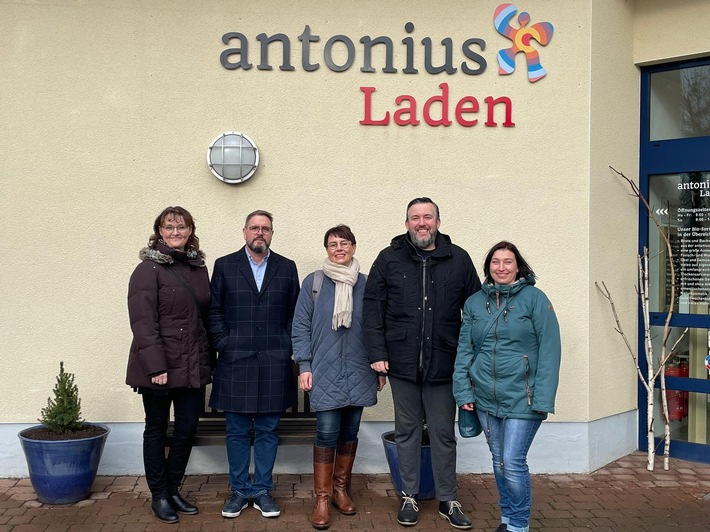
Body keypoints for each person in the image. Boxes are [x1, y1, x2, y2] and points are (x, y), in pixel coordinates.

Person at [363, 197, 481, 529]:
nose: (421, 223)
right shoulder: (389, 259)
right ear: (406, 224)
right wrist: (376, 353)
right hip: (401, 363)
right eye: (415, 218)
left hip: (445, 362)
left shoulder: (458, 259)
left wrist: (469, 357)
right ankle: (410, 496)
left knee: (444, 433)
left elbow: (474, 311)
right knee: (407, 432)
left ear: (438, 223)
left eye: (427, 217)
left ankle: (448, 498)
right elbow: (372, 309)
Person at [453, 241, 561, 532]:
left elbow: (550, 350)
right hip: (485, 397)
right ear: (488, 267)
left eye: (508, 262)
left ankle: (518, 524)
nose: (501, 267)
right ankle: (508, 517)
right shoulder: (475, 303)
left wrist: (543, 398)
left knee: (512, 462)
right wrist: (463, 391)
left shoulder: (535, 299)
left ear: (518, 266)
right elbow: (465, 350)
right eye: (495, 262)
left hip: (524, 398)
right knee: (500, 462)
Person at [292, 225, 387, 530]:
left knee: (350, 433)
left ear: (354, 247)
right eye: (333, 244)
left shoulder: (368, 284)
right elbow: (300, 327)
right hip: (324, 370)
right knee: (326, 434)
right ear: (327, 250)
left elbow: (378, 327)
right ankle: (321, 498)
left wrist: (379, 365)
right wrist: (304, 365)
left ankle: (339, 490)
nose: (339, 248)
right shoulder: (314, 283)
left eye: (344, 243)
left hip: (360, 369)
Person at [208, 209, 300, 520]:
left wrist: (285, 345)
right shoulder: (224, 266)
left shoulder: (287, 268)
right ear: (244, 232)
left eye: (266, 228)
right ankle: (238, 490)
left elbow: (293, 314)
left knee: (268, 429)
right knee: (235, 430)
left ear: (272, 233)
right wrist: (225, 343)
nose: (260, 233)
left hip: (274, 362)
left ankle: (261, 490)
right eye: (254, 227)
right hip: (236, 361)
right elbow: (214, 311)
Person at [126, 206, 212, 525]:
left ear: (190, 231)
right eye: (169, 227)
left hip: (191, 365)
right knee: (156, 429)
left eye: (182, 227)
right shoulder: (147, 270)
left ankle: (174, 488)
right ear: (159, 231)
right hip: (160, 367)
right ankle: (159, 494)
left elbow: (203, 317)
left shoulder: (197, 268)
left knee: (187, 427)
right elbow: (143, 322)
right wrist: (155, 365)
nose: (176, 232)